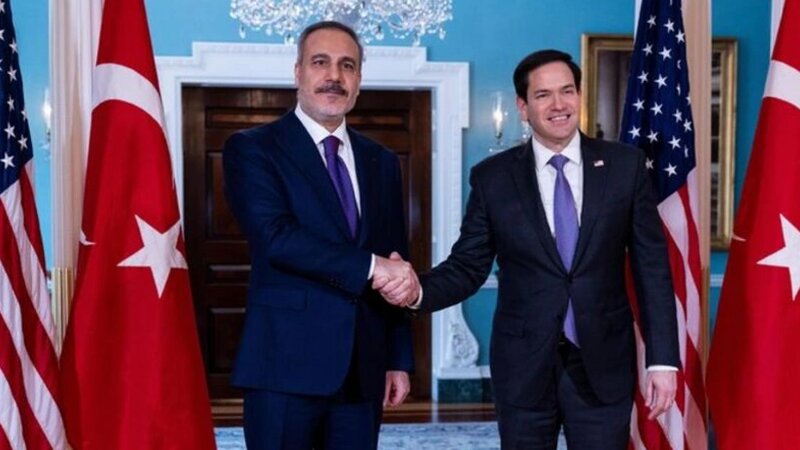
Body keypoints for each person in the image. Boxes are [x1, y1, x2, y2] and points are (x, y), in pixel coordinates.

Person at [376, 49, 680, 449]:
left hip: (603, 363)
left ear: (579, 96)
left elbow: (651, 268)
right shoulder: (493, 178)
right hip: (522, 366)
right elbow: (468, 266)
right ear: (523, 107)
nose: (559, 104)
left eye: (567, 91)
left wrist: (663, 360)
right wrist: (417, 290)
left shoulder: (625, 166)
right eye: (543, 95)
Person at [223, 21, 418, 450]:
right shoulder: (253, 148)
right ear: (298, 72)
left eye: (347, 65)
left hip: (363, 369)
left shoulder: (382, 161)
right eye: (320, 62)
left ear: (359, 80)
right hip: (284, 366)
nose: (334, 76)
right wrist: (371, 266)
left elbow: (395, 259)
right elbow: (276, 238)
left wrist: (397, 358)